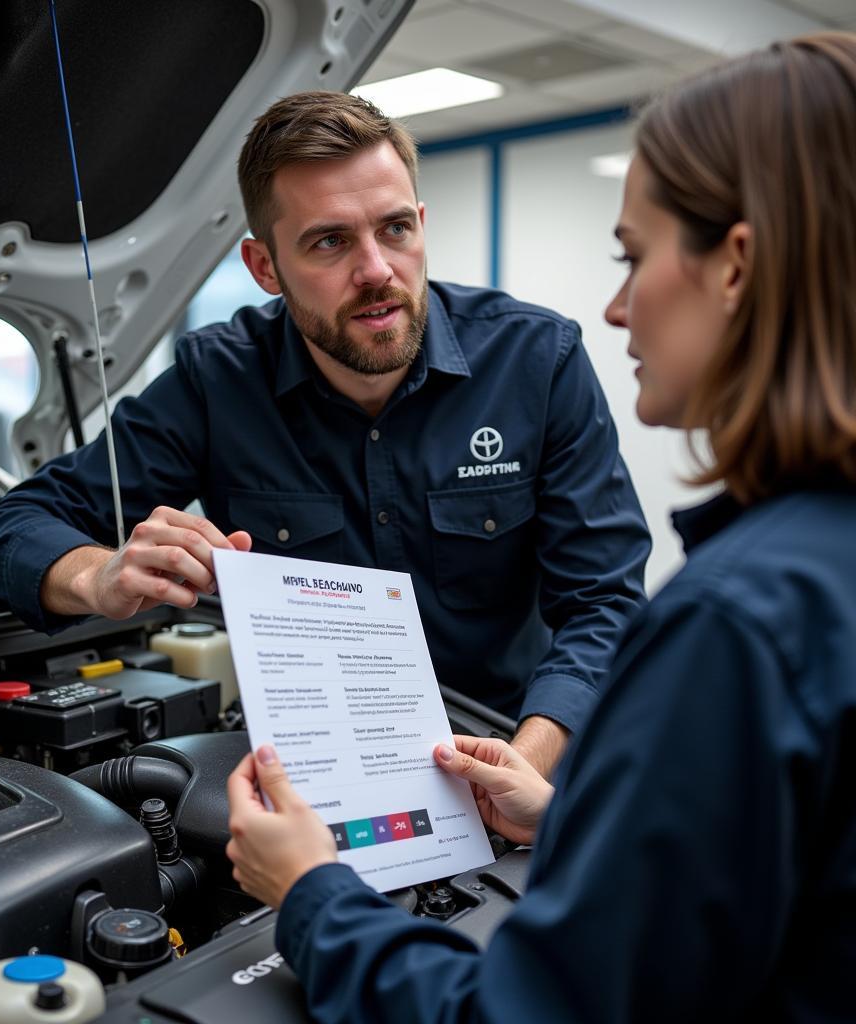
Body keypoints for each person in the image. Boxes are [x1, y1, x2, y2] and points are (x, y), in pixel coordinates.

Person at [224, 32, 856, 1022]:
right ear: (267, 265)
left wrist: (311, 893)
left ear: (733, 268)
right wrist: (566, 821)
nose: (612, 306)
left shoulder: (739, 622)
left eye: (633, 257)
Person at [0, 91, 650, 778]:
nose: (377, 271)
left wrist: (524, 765)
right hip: (318, 771)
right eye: (330, 241)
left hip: (514, 742)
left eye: (394, 230)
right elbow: (13, 527)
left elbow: (606, 602)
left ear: (420, 224)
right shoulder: (217, 382)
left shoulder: (537, 362)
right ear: (264, 266)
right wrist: (101, 576)